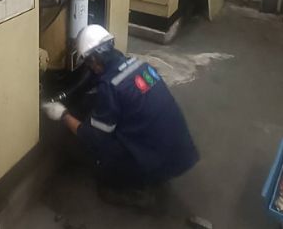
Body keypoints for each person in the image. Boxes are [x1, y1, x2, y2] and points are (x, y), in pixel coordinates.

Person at [42, 24, 198, 206]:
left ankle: (139, 190)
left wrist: (63, 114)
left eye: (88, 62)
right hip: (179, 150)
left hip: (154, 160)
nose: (88, 67)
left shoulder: (111, 87)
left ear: (94, 59)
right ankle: (153, 171)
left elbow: (93, 137)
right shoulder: (140, 65)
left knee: (91, 153)